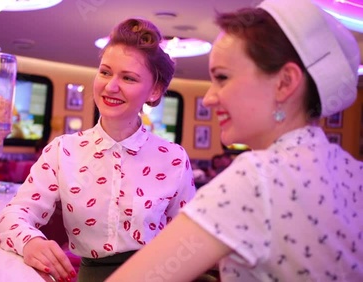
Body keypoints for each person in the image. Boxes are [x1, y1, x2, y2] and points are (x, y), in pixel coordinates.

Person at [107, 0, 362, 281]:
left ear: (285, 83)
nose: (209, 98)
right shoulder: (353, 172)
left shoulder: (257, 178)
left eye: (222, 78)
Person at [0, 18, 196, 282]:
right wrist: (31, 243)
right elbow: (11, 216)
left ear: (154, 90)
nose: (111, 86)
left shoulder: (173, 158)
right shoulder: (63, 151)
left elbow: (190, 238)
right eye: (105, 72)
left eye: (128, 78)